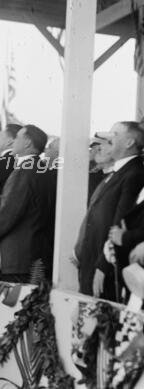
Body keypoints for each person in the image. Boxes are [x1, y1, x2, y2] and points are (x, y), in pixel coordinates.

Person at [75, 122, 144, 300]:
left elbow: (119, 223)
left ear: (129, 143)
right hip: (94, 261)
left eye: (114, 134)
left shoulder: (134, 173)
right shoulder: (118, 172)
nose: (108, 138)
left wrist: (103, 265)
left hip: (107, 268)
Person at [0, 125, 56, 283]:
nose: (13, 142)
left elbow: (9, 212)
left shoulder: (23, 172)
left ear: (28, 143)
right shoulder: (45, 170)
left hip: (19, 259)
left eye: (17, 138)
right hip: (39, 254)